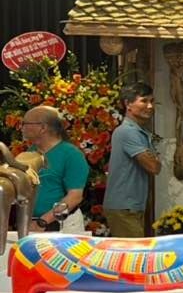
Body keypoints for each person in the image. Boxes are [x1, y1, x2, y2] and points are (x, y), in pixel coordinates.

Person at [102, 82, 160, 238]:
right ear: (128, 104)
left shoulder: (139, 132)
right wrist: (154, 158)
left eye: (152, 101)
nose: (150, 106)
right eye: (144, 101)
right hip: (124, 207)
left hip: (132, 206)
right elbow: (154, 166)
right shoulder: (128, 132)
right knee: (134, 252)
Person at [21, 106, 89, 233]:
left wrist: (43, 222)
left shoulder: (71, 154)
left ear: (43, 128)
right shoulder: (30, 152)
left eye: (25, 123)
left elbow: (75, 196)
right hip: (33, 224)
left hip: (61, 226)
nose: (22, 127)